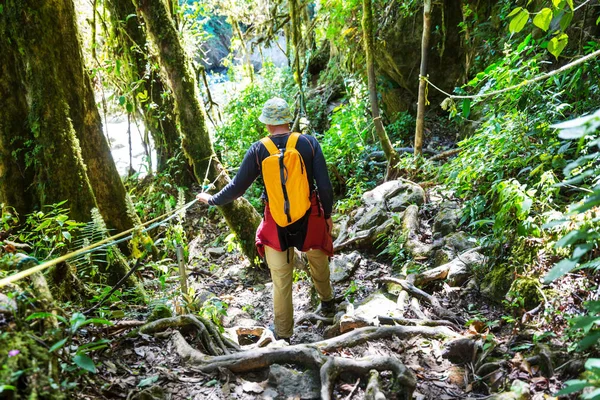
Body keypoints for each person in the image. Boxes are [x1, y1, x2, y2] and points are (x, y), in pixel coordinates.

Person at [196, 97, 336, 340]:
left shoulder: (258, 149)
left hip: (275, 222)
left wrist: (212, 200)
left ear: (267, 124)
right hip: (309, 215)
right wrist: (328, 215)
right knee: (318, 260)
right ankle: (328, 304)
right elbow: (324, 187)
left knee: (281, 280)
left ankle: (283, 336)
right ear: (287, 120)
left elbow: (237, 187)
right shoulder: (309, 144)